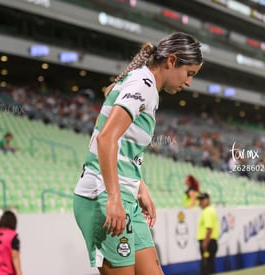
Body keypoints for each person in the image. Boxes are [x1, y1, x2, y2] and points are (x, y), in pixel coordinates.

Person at [73, 32, 203, 275]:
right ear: (172, 61)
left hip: (125, 195)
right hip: (103, 195)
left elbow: (124, 146)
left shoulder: (148, 88)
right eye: (190, 73)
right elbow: (106, 138)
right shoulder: (142, 85)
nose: (189, 82)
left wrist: (140, 187)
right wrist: (114, 197)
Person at [197, 192, 219, 275]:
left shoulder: (207, 211)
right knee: (210, 266)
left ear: (208, 200)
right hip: (211, 241)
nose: (200, 202)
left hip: (208, 242)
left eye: (202, 199)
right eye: (200, 200)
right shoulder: (211, 210)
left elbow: (209, 229)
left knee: (206, 268)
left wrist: (205, 243)